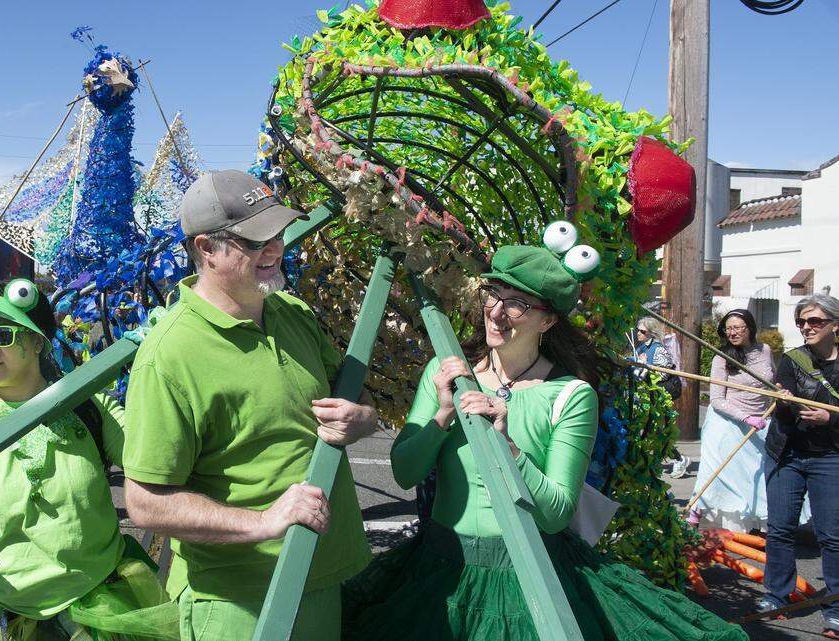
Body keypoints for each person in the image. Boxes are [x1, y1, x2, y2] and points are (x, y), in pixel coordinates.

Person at [341, 226, 746, 641]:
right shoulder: (446, 373)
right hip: (439, 569)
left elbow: (555, 514)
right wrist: (443, 414)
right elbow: (405, 472)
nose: (496, 312)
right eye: (493, 294)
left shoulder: (570, 395)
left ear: (548, 319)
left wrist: (510, 449)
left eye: (517, 304)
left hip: (530, 577)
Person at [122, 170, 377, 640]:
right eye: (256, 239)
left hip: (322, 580)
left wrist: (364, 418)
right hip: (239, 603)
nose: (276, 248)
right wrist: (263, 522)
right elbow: (145, 503)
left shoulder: (293, 314)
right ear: (205, 248)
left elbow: (349, 398)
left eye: (277, 233)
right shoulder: (169, 356)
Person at [0, 273, 177, 641]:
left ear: (36, 341)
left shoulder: (90, 409)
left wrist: (162, 362)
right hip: (1, 616)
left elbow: (162, 460)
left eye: (1, 335)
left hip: (98, 610)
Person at [760, 294, 839, 636]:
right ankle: (777, 596)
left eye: (815, 322)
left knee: (832, 536)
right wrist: (782, 401)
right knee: (779, 528)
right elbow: (783, 407)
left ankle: (836, 605)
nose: (806, 327)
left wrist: (831, 419)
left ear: (835, 325)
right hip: (787, 453)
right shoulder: (792, 359)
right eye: (802, 322)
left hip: (831, 457)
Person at [688, 310, 806, 531]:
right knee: (715, 473)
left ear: (749, 328)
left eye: (737, 327)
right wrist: (746, 417)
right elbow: (716, 400)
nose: (732, 333)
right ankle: (693, 516)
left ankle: (761, 526)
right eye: (728, 328)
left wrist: (779, 393)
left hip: (761, 422)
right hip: (726, 422)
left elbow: (771, 382)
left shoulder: (765, 350)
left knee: (756, 474)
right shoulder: (721, 357)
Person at [634, 316, 689, 478]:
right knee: (648, 429)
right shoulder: (642, 347)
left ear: (651, 333)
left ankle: (678, 458)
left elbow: (664, 374)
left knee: (657, 430)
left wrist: (645, 367)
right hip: (644, 395)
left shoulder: (658, 349)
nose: (638, 333)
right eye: (638, 330)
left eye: (642, 331)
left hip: (658, 395)